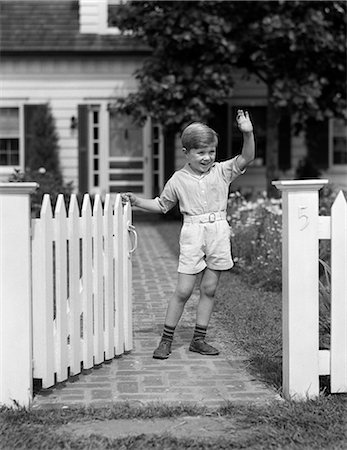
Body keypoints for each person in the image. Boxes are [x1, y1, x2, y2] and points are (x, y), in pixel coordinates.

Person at [121, 110, 255, 359]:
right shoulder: (178, 180)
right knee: (183, 290)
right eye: (200, 152)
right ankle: (166, 340)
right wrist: (137, 201)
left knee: (210, 288)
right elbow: (162, 205)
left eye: (211, 152)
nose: (207, 158)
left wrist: (247, 133)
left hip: (218, 231)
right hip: (193, 233)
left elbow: (247, 157)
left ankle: (198, 339)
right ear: (186, 152)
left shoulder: (221, 171)